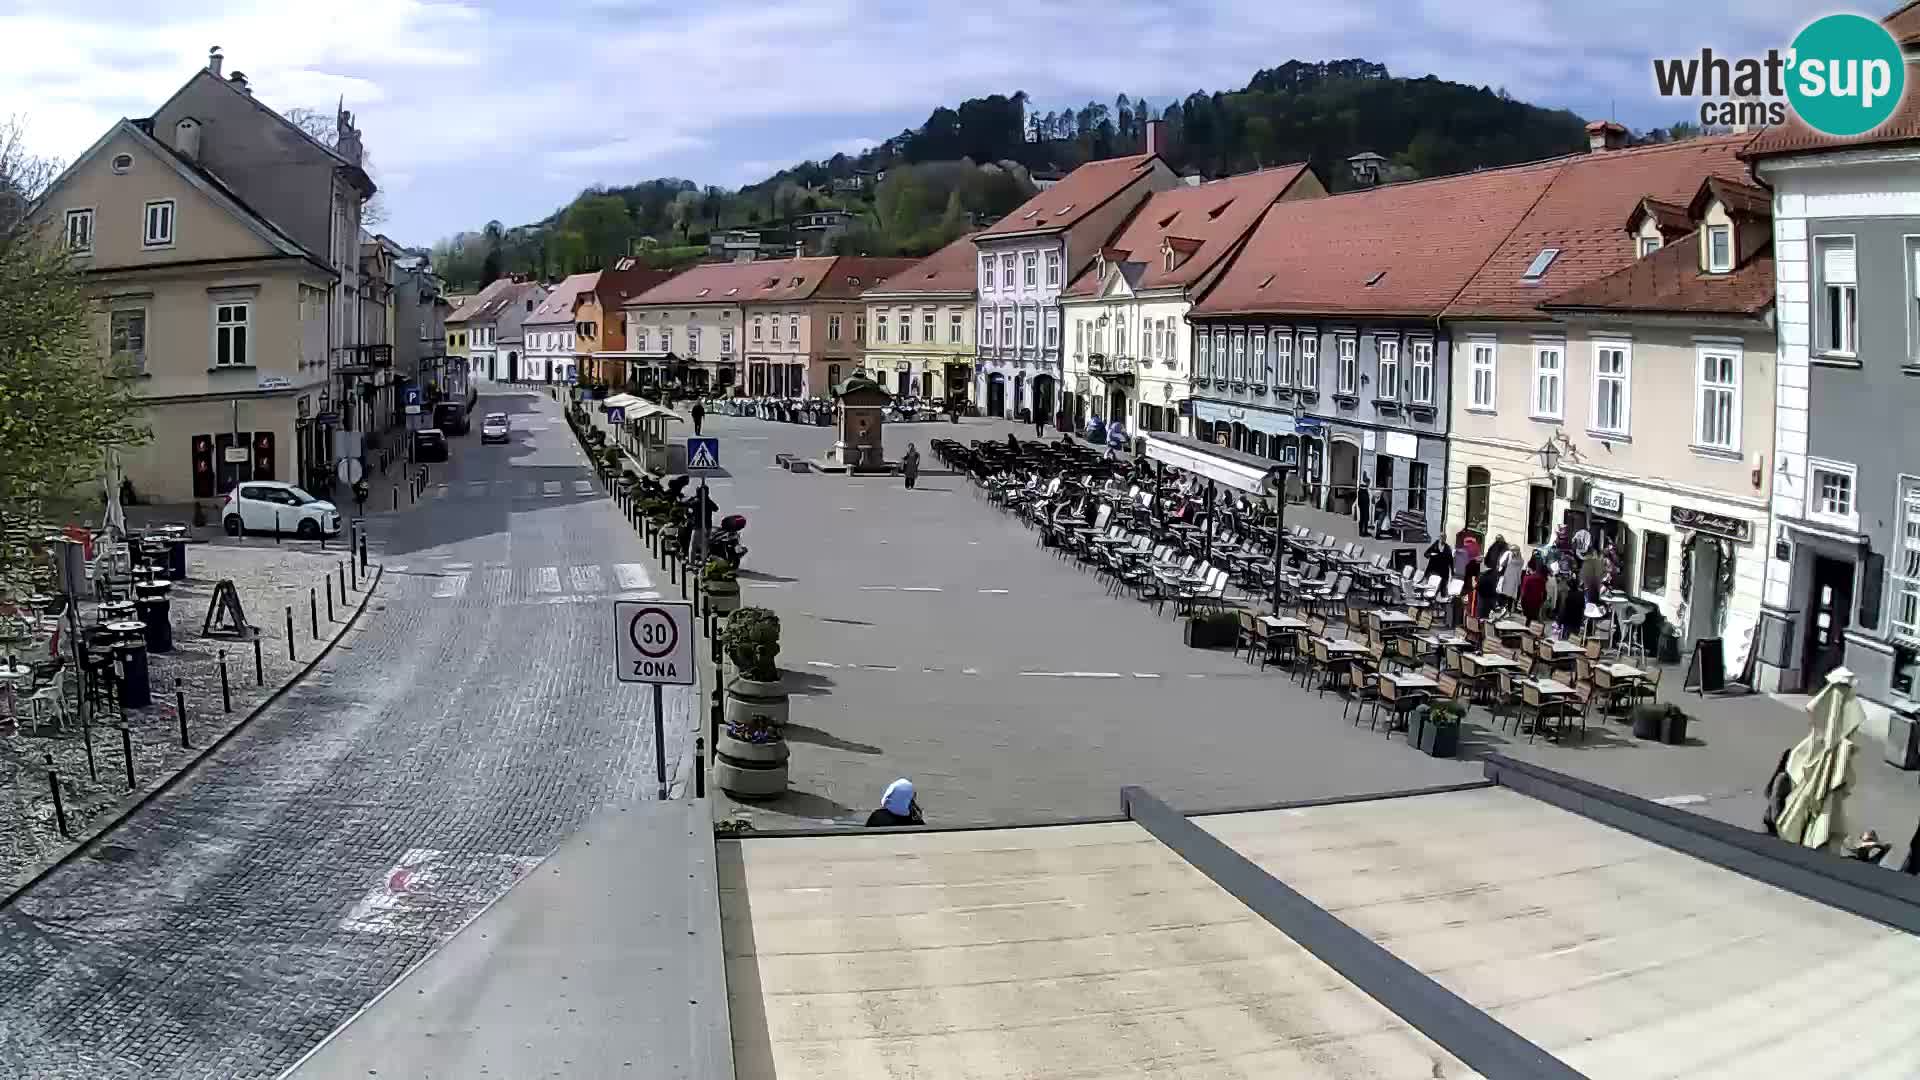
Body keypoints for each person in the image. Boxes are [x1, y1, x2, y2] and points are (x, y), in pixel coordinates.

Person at [1520, 554, 1549, 621]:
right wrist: (1541, 602)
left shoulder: (1527, 578)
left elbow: (1523, 592)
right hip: (1537, 603)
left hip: (1527, 603)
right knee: (1533, 620)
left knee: (1527, 619)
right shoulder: (1542, 579)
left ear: (1530, 568)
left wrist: (1522, 603)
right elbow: (1544, 592)